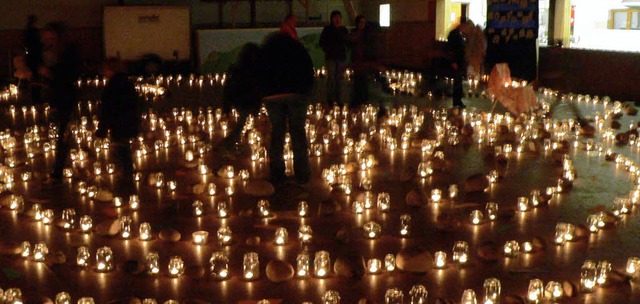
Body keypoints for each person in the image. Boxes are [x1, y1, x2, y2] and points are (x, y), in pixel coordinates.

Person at [258, 32, 314, 186]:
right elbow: (309, 69)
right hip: (297, 94)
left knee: (277, 132)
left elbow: (258, 72)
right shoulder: (298, 48)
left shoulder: (266, 51)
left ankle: (277, 173)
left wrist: (262, 93)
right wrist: (307, 92)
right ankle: (302, 174)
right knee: (298, 132)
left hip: (272, 96)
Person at [40, 22, 81, 183]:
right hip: (56, 98)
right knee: (60, 135)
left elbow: (67, 76)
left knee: (63, 136)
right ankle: (65, 166)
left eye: (52, 38)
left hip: (66, 98)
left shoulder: (68, 53)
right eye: (46, 38)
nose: (48, 41)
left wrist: (49, 74)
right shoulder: (50, 52)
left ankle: (58, 172)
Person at [95, 58, 141, 196]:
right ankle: (126, 172)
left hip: (118, 124)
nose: (103, 72)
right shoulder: (128, 83)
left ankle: (126, 177)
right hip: (130, 122)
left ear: (111, 70)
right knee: (124, 147)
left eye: (105, 69)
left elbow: (107, 110)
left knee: (120, 149)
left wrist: (102, 129)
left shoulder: (111, 87)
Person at [221, 43, 262, 154]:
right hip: (246, 101)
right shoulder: (254, 71)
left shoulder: (235, 70)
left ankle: (234, 142)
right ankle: (230, 143)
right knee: (241, 124)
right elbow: (258, 89)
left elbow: (228, 89)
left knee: (242, 123)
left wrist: (227, 107)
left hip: (239, 100)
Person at [319, 10, 348, 106]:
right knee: (331, 79)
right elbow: (322, 42)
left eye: (339, 18)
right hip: (331, 58)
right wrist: (328, 50)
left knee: (340, 79)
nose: (337, 20)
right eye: (335, 18)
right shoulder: (327, 29)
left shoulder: (343, 30)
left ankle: (340, 100)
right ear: (332, 19)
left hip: (341, 57)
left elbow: (347, 42)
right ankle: (331, 100)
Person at [446, 17, 471, 109]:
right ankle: (456, 101)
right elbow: (450, 49)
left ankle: (458, 101)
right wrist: (453, 61)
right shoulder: (453, 34)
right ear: (462, 25)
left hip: (460, 62)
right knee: (457, 81)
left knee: (459, 81)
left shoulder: (462, 35)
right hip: (456, 62)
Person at [349, 15, 368, 109]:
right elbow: (351, 42)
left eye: (364, 22)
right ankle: (357, 101)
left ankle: (364, 101)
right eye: (361, 22)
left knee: (364, 80)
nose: (362, 24)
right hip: (357, 60)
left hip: (364, 60)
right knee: (357, 81)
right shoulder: (354, 32)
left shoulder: (367, 33)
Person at [23, 15, 43, 104]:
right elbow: (38, 44)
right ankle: (37, 98)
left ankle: (35, 98)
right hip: (35, 57)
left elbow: (25, 44)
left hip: (31, 57)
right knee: (36, 77)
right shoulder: (34, 32)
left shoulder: (27, 31)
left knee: (33, 77)